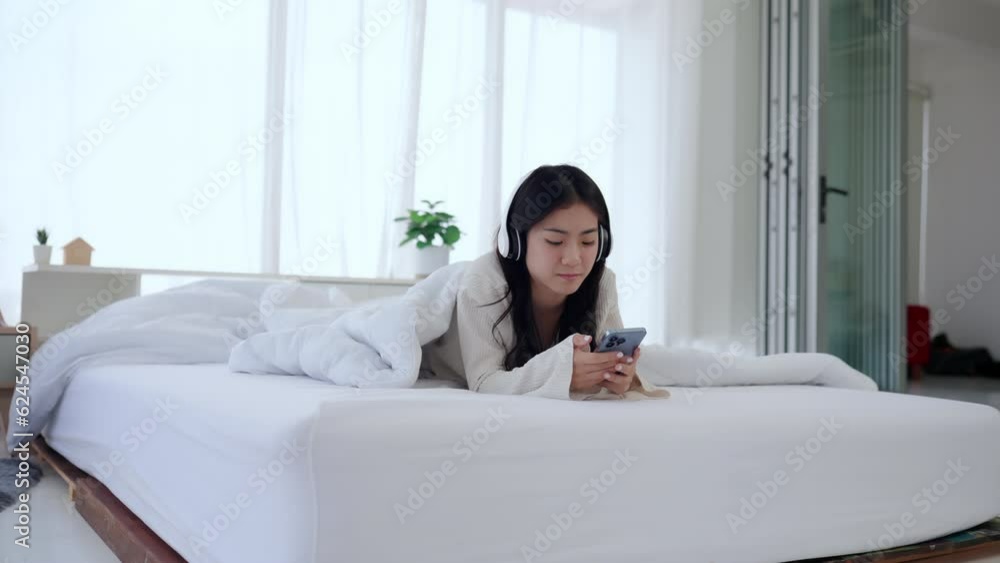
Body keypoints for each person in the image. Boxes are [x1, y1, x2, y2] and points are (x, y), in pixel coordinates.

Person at [421, 164, 668, 400]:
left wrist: (620, 377)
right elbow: (485, 382)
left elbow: (610, 363)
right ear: (517, 242)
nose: (573, 259)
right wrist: (562, 374)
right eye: (554, 242)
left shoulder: (602, 282)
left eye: (588, 242)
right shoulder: (483, 283)